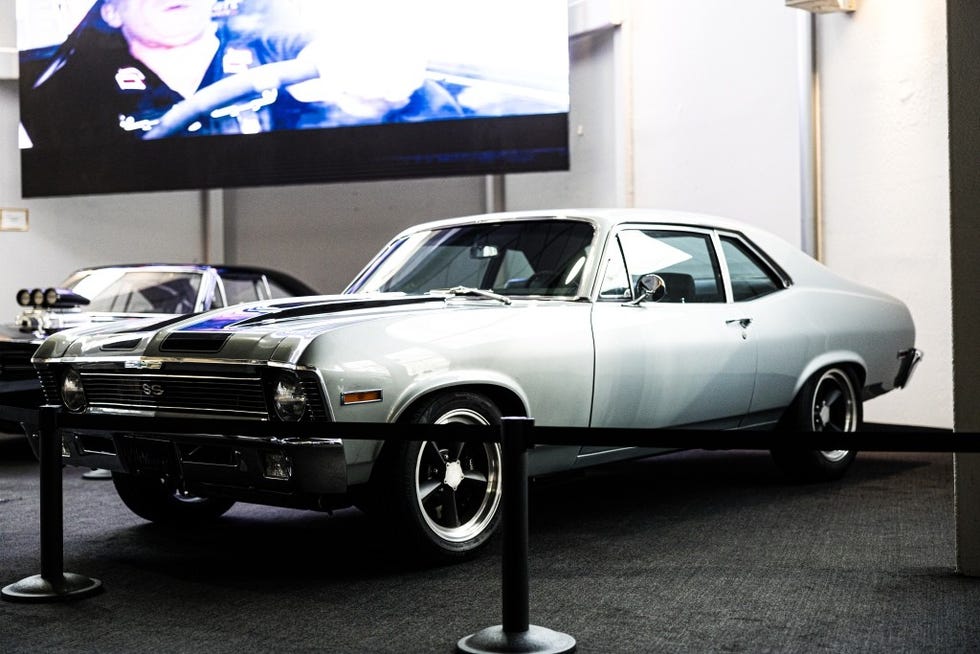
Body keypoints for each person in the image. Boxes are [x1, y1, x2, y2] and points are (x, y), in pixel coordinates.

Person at [20, 0, 463, 148]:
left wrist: (360, 68)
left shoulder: (267, 42)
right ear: (112, 12)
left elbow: (331, 45)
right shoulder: (72, 87)